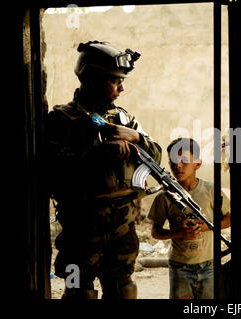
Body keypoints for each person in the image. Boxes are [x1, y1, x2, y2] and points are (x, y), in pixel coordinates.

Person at [46, 41, 162, 299]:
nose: (122, 87)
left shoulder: (123, 119)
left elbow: (156, 155)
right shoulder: (62, 120)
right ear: (92, 79)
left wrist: (137, 139)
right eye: (115, 80)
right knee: (79, 290)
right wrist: (95, 155)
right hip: (82, 227)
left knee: (123, 289)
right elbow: (51, 172)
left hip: (123, 224)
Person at [148, 138, 230, 299]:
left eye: (184, 160)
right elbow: (155, 232)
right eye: (173, 161)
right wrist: (179, 232)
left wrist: (206, 226)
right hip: (179, 267)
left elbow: (230, 218)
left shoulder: (211, 190)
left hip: (209, 265)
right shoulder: (164, 196)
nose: (177, 165)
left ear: (198, 164)